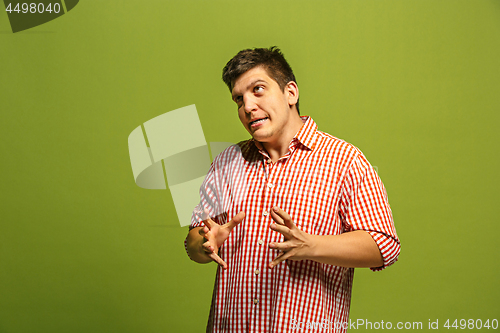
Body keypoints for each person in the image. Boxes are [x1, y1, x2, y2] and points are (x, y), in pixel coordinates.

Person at [185, 47, 400, 332]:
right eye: (239, 99)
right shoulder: (227, 162)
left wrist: (312, 245)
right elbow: (193, 242)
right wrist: (204, 241)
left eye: (258, 90)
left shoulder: (344, 161)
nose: (248, 107)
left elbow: (384, 245)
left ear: (290, 93)